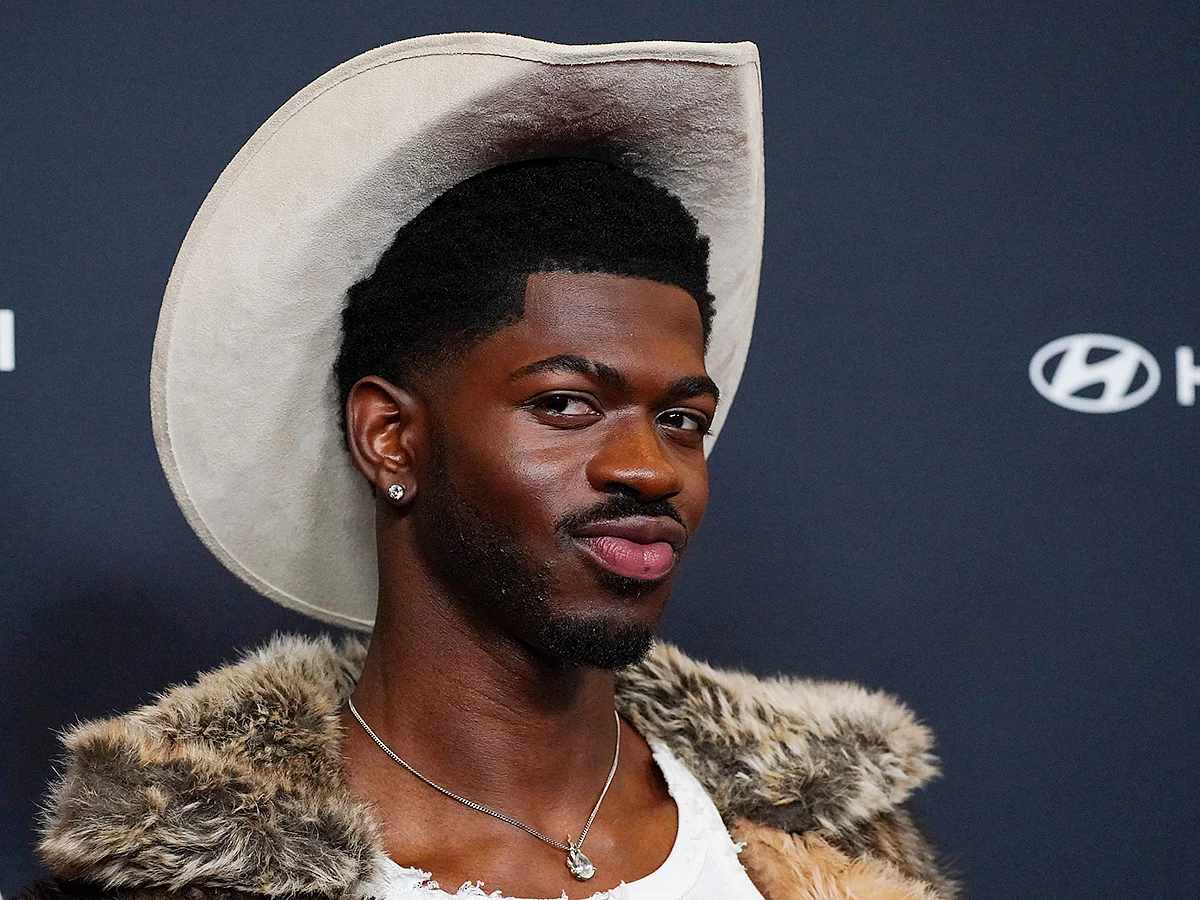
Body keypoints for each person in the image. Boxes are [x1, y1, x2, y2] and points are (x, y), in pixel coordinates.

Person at [22, 34, 954, 900]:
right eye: (565, 406)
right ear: (391, 438)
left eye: (681, 420)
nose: (651, 470)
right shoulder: (184, 876)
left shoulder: (832, 849)